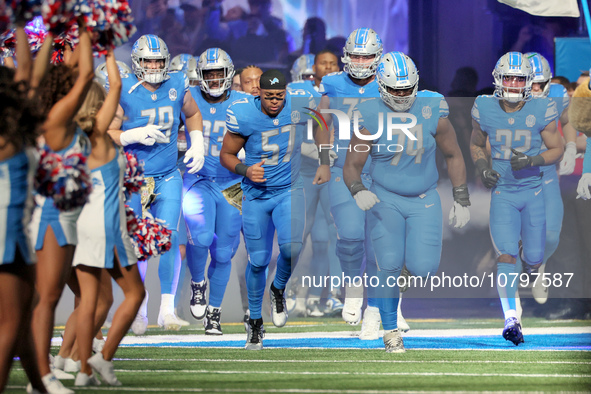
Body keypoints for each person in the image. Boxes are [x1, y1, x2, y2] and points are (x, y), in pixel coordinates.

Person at [343, 51, 470, 353]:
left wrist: (461, 196)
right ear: (382, 87)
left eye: (406, 89)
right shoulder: (370, 112)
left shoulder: (431, 105)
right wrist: (358, 189)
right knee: (386, 264)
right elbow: (351, 164)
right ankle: (390, 333)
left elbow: (453, 154)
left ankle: (402, 276)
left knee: (423, 267)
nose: (401, 95)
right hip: (385, 196)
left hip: (424, 197)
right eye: (395, 89)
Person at [220, 69, 330, 350]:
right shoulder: (244, 113)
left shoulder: (299, 101)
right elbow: (226, 155)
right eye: (268, 96)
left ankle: (278, 288)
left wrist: (324, 158)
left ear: (286, 93)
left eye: (279, 96)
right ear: (258, 93)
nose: (274, 102)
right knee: (258, 260)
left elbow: (321, 118)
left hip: (289, 191)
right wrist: (245, 170)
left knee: (292, 248)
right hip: (256, 196)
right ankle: (255, 322)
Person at [108, 34, 204, 333]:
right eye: (149, 60)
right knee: (138, 245)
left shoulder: (176, 84)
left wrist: (197, 141)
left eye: (159, 61)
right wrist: (130, 136)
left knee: (169, 239)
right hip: (134, 176)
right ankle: (138, 307)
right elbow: (106, 131)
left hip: (166, 173)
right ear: (137, 62)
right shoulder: (124, 89)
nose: (154, 66)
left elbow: (192, 113)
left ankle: (167, 309)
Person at [317, 28, 408, 339]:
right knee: (353, 236)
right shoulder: (332, 83)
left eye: (366, 55)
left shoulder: (390, 83)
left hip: (383, 172)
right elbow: (321, 120)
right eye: (355, 55)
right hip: (345, 169)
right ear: (346, 55)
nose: (360, 61)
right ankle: (353, 284)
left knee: (384, 245)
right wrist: (322, 156)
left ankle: (386, 309)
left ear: (378, 56)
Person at [470, 52, 563, 345]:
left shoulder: (543, 106)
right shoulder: (484, 106)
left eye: (518, 78)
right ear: (498, 79)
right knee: (506, 256)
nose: (512, 83)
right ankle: (511, 317)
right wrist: (483, 166)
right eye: (508, 77)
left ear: (528, 82)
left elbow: (557, 149)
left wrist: (533, 159)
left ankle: (534, 264)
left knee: (533, 257)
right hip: (503, 194)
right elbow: (475, 143)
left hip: (533, 191)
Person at [70, 49, 146, 387]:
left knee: (91, 301)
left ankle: (81, 367)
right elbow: (115, 83)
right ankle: (102, 358)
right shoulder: (96, 137)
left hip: (83, 225)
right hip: (107, 225)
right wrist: (107, 49)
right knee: (134, 294)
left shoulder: (67, 136)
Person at [30, 23, 95, 394]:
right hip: (52, 219)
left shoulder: (56, 118)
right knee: (47, 299)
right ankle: (43, 376)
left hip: (66, 218)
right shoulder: (56, 120)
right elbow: (83, 72)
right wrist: (84, 27)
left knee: (51, 298)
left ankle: (44, 373)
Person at [182, 48, 249, 335]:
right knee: (200, 238)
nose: (213, 79)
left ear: (229, 73)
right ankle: (198, 282)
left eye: (218, 73)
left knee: (223, 253)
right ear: (200, 76)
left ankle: (214, 312)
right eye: (208, 74)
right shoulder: (188, 96)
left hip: (232, 183)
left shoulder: (246, 102)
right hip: (199, 179)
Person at [0, 23, 46, 394]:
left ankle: (41, 387)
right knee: (11, 326)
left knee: (23, 321)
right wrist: (23, 24)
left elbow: (28, 79)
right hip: (8, 237)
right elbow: (30, 80)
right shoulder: (17, 136)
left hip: (12, 237)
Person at [287, 50, 341, 317]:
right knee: (298, 235)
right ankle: (286, 290)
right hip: (305, 172)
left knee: (326, 239)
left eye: (333, 64)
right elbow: (287, 130)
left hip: (335, 171)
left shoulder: (343, 90)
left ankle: (320, 296)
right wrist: (309, 150)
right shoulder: (298, 93)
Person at [522, 53, 576, 305]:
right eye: (529, 83)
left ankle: (539, 266)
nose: (534, 89)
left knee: (552, 234)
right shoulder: (506, 98)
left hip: (546, 171)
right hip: (516, 172)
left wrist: (572, 147)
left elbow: (567, 122)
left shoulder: (556, 93)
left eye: (539, 83)